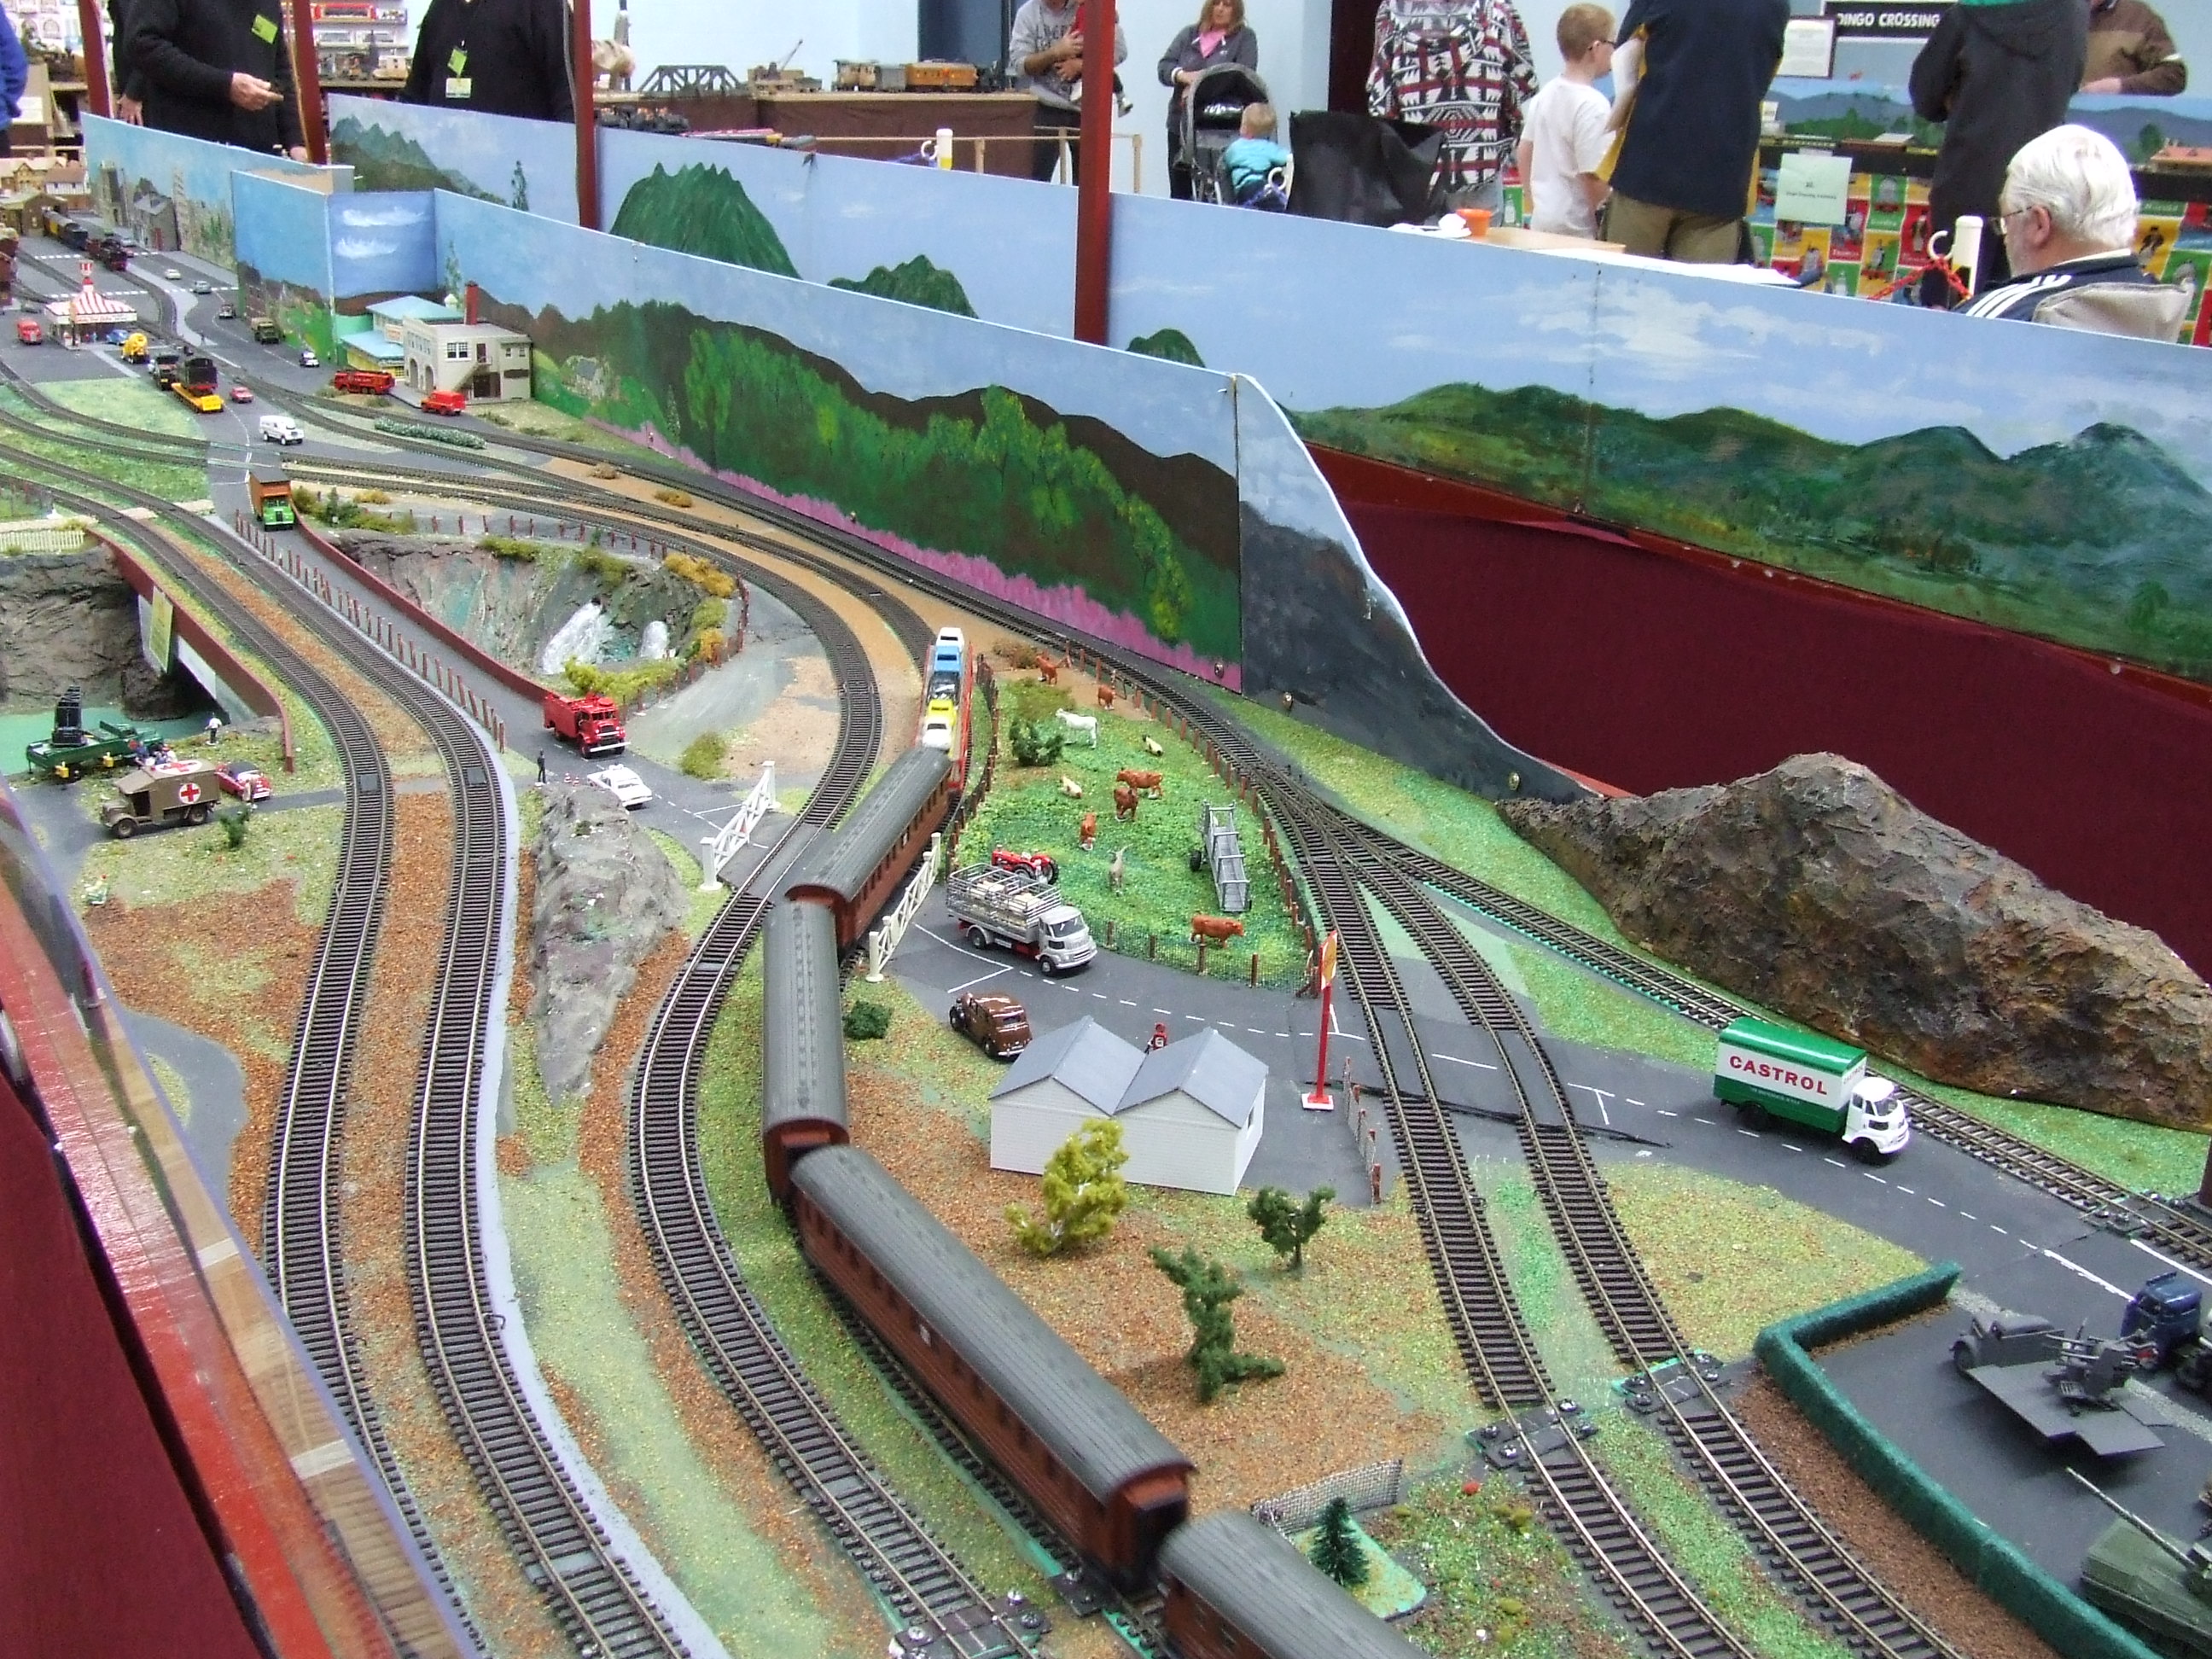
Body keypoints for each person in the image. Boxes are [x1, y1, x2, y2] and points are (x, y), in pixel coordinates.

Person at [1910, 0, 2086, 307]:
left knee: (1949, 308)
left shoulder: (1967, 14)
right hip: (2038, 188)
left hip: (1967, 185)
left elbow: (1926, 97)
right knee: (2020, 308)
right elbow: (2071, 82)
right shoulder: (2074, 13)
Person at [1601, 0, 1787, 262]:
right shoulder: (1776, 5)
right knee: (1701, 287)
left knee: (1626, 283)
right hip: (1724, 178)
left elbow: (1624, 53)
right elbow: (1765, 73)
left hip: (1647, 167)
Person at [1960, 124, 2187, 337]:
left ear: (2039, 225)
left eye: (2006, 222)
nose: (2006, 238)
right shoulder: (2161, 304)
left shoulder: (1995, 318)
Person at [1367, 0, 1538, 217]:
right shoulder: (1499, 11)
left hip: (1421, 173)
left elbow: (1382, 104)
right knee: (1484, 240)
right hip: (1480, 166)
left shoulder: (1391, 14)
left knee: (1422, 240)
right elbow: (1518, 88)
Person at [127, 0, 307, 158]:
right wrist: (225, 85)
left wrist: (294, 140)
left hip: (259, 157)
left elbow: (279, 67)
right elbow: (143, 44)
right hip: (191, 152)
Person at [1513, 3, 1613, 238]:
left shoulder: (1546, 94)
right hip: (1577, 230)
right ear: (1596, 48)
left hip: (1543, 222)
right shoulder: (1593, 105)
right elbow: (1594, 177)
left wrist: (1534, 202)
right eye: (1612, 43)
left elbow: (1524, 151)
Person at [1010, 0, 1128, 184]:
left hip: (1087, 108)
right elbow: (1020, 65)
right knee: (1037, 180)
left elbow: (1119, 51)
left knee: (1088, 183)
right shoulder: (1027, 14)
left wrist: (1081, 65)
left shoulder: (1088, 6)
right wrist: (1055, 53)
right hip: (1045, 107)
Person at [402, 0, 573, 121]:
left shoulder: (543, 6)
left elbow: (571, 104)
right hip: (443, 158)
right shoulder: (439, 9)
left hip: (522, 158)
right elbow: (414, 97)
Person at [1158, 0, 1258, 201]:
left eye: (1227, 4)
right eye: (1216, 3)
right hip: (1181, 124)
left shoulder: (1244, 37)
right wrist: (1182, 76)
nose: (1220, 9)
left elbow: (1242, 75)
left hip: (1220, 128)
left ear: (1236, 10)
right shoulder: (1189, 34)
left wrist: (1199, 86)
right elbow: (1164, 66)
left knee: (1216, 192)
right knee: (1179, 191)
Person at [2082, 0, 2186, 96]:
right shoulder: (2071, 18)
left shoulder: (2139, 18)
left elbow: (2174, 74)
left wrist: (2120, 87)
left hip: (2117, 108)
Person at [1220, 101, 1289, 207]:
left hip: (1242, 190)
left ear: (1243, 127)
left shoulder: (1233, 148)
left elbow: (1223, 167)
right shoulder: (1267, 147)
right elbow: (1288, 158)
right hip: (1261, 187)